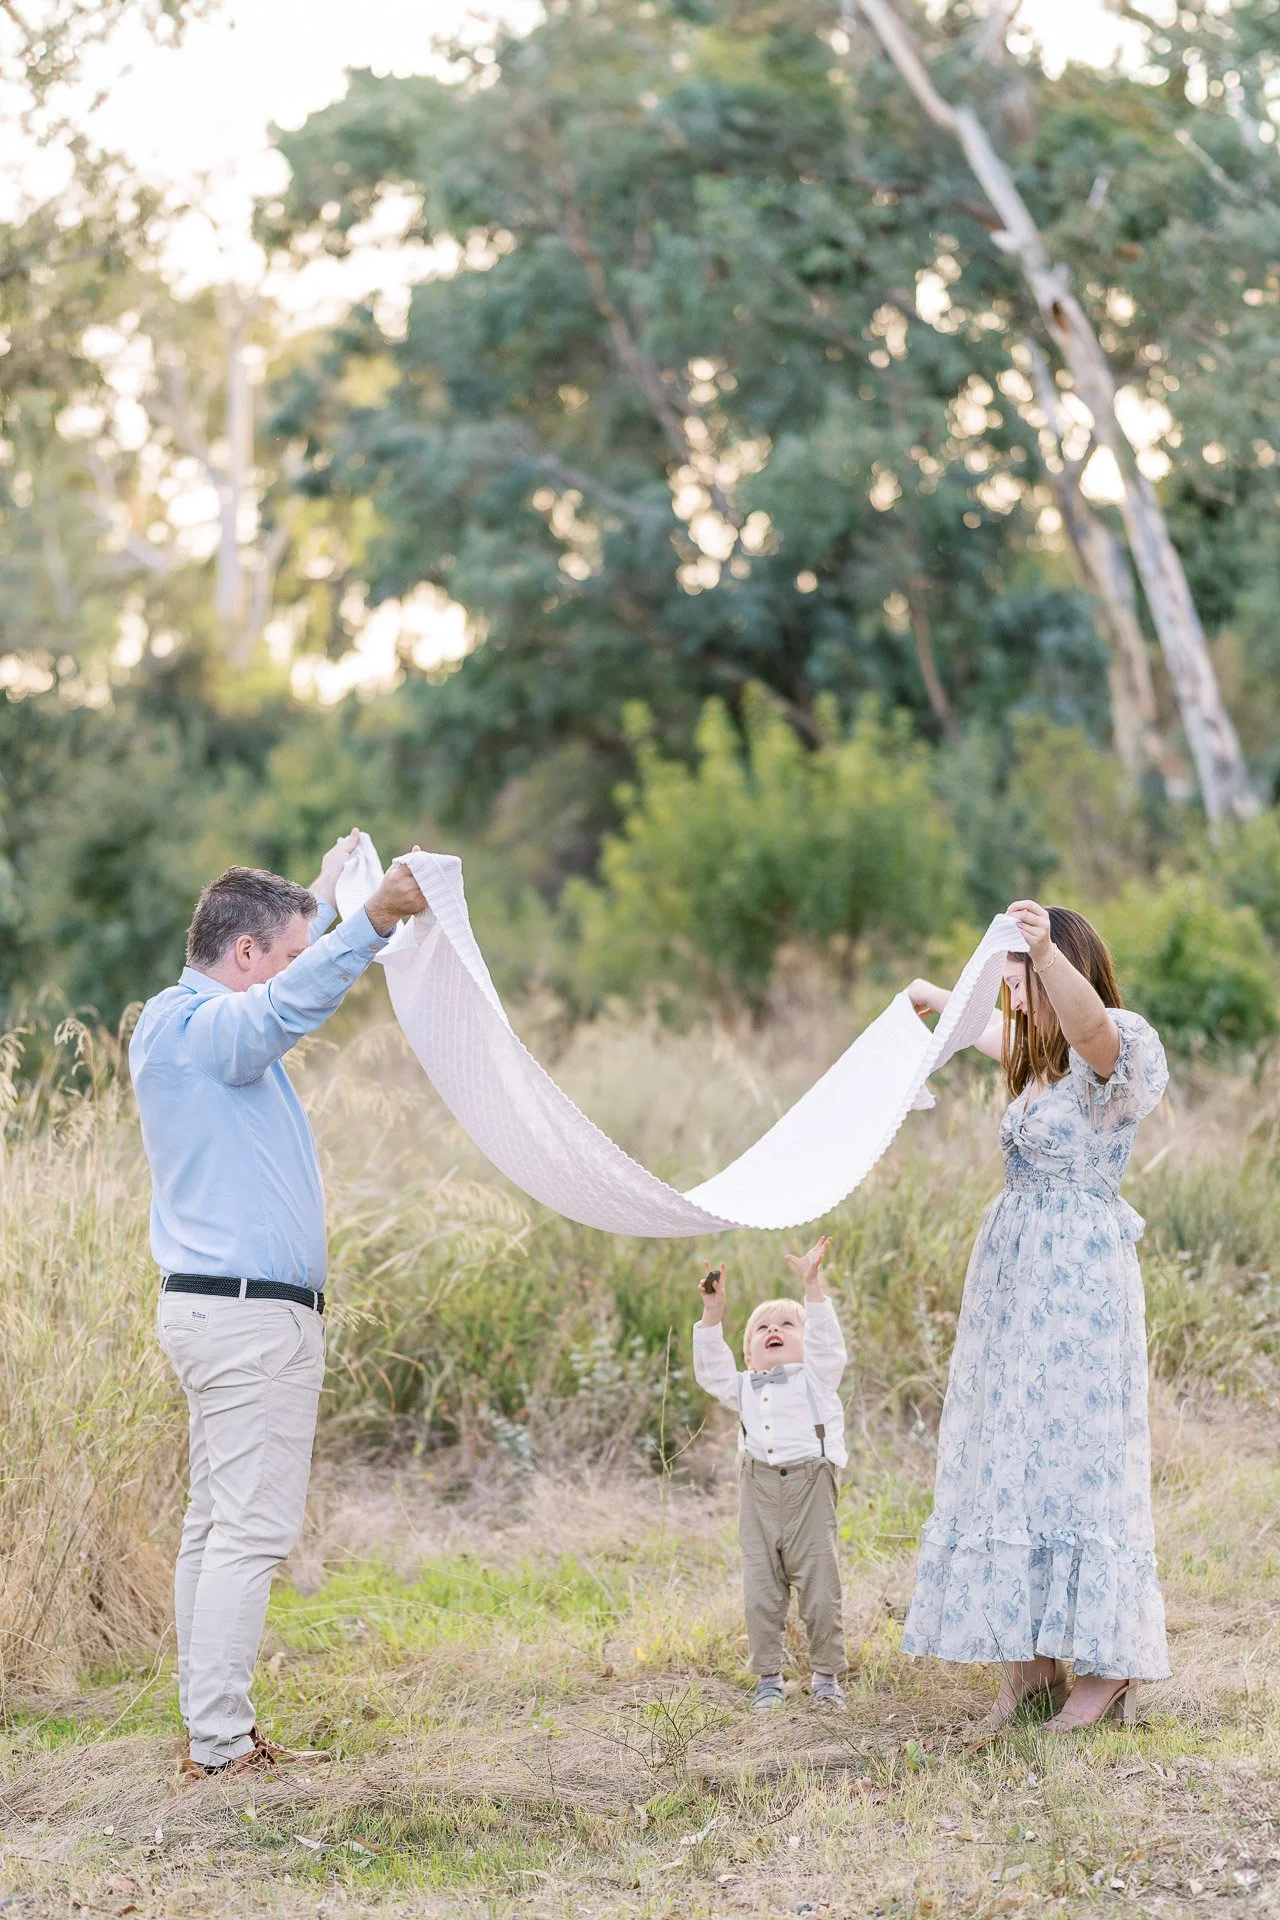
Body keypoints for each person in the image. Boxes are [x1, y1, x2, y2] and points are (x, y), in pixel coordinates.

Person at [129, 832, 427, 1779]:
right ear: (247, 952)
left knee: (216, 1525)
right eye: (289, 952)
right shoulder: (200, 1029)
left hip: (224, 1312)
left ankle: (210, 1733)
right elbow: (281, 1008)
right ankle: (219, 1746)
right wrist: (369, 922)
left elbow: (275, 992)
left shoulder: (183, 1027)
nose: (299, 970)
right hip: (247, 1319)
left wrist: (331, 898)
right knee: (248, 1532)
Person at [900, 900, 1170, 1733]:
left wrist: (1046, 952)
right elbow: (994, 1033)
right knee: (1016, 1448)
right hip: (1016, 1283)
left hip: (1079, 1283)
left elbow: (1090, 1029)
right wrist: (937, 997)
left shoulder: (1113, 1049)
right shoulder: (1037, 1064)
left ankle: (1108, 1668)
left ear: (1060, 972)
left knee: (1079, 1452)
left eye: (1020, 981)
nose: (1012, 998)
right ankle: (1033, 1663)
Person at [693, 1238, 848, 1710]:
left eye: (785, 1325)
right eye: (762, 1328)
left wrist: (812, 1286)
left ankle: (826, 1678)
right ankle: (768, 1679)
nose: (772, 1330)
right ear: (749, 1356)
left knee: (819, 1586)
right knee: (761, 1589)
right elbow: (710, 1371)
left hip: (810, 1486)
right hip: (757, 1488)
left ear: (805, 1343)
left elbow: (827, 1343)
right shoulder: (742, 1386)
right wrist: (713, 1314)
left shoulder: (817, 1377)